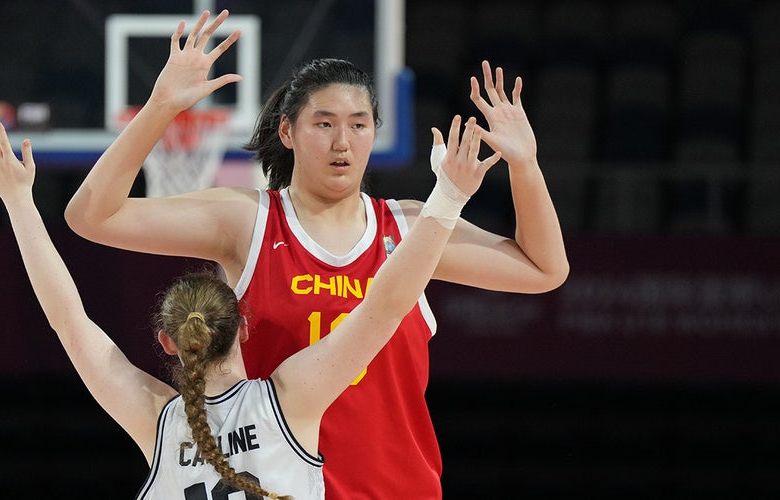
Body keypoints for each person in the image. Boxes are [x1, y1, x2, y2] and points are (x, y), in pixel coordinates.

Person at [64, 10, 569, 499]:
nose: (342, 142)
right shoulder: (248, 221)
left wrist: (525, 165)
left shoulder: (411, 227)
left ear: (375, 133)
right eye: (323, 124)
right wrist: (160, 107)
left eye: (359, 125)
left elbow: (544, 269)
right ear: (287, 132)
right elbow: (92, 217)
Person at [0, 92, 498, 498]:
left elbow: (68, 320)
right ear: (245, 326)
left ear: (168, 341)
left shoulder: (159, 422)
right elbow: (385, 306)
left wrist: (19, 201)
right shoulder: (289, 402)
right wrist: (448, 196)